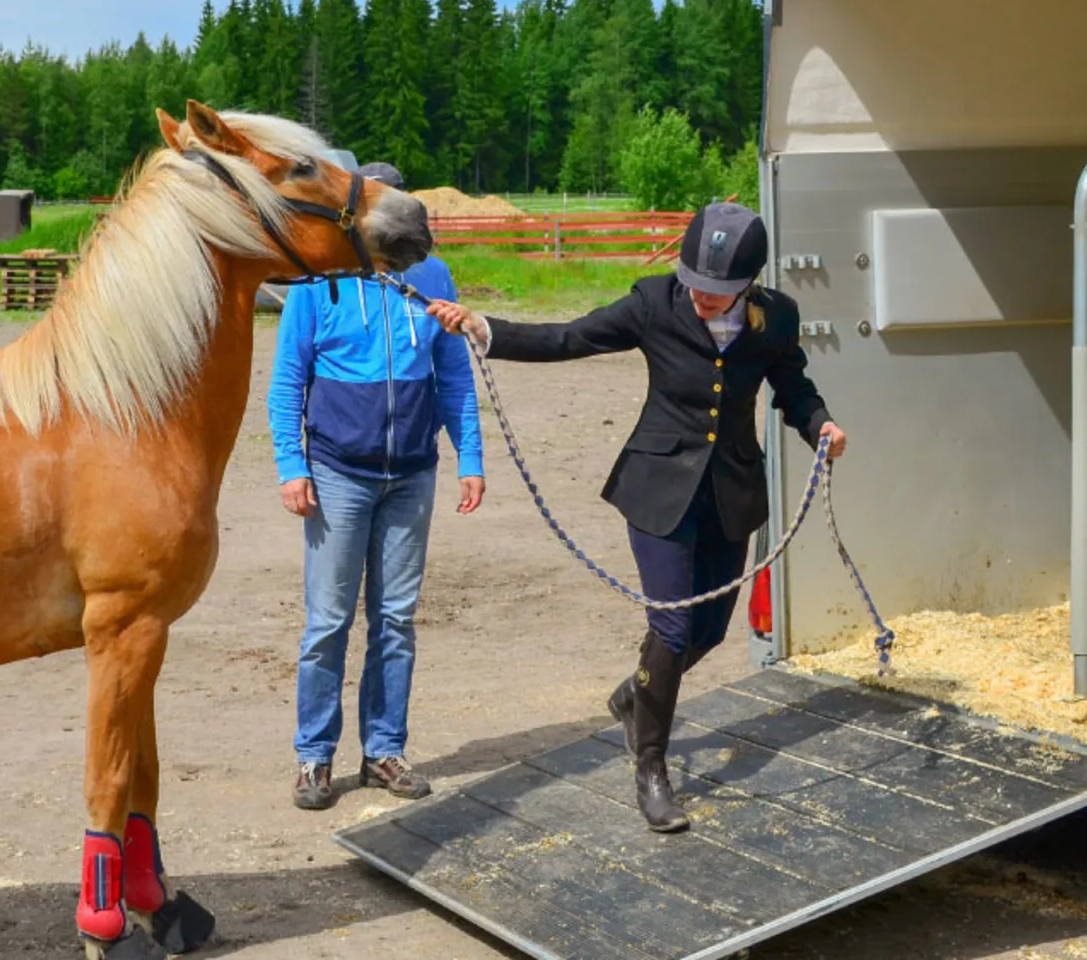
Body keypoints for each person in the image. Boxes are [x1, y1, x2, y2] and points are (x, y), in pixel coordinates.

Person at [425, 201, 845, 833]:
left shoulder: (777, 318)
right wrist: (486, 328)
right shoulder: (653, 302)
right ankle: (651, 767)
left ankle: (635, 696)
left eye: (718, 292)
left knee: (707, 633)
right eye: (696, 286)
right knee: (672, 629)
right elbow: (571, 336)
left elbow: (793, 388)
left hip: (730, 492)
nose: (702, 298)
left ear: (748, 284)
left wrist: (821, 427)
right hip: (656, 490)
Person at [269, 160, 486, 811]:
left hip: (412, 474)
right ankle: (314, 757)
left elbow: (453, 375)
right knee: (328, 622)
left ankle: (384, 750)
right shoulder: (318, 282)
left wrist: (468, 455)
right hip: (337, 475)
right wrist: (292, 466)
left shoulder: (432, 277)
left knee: (395, 621)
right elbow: (287, 382)